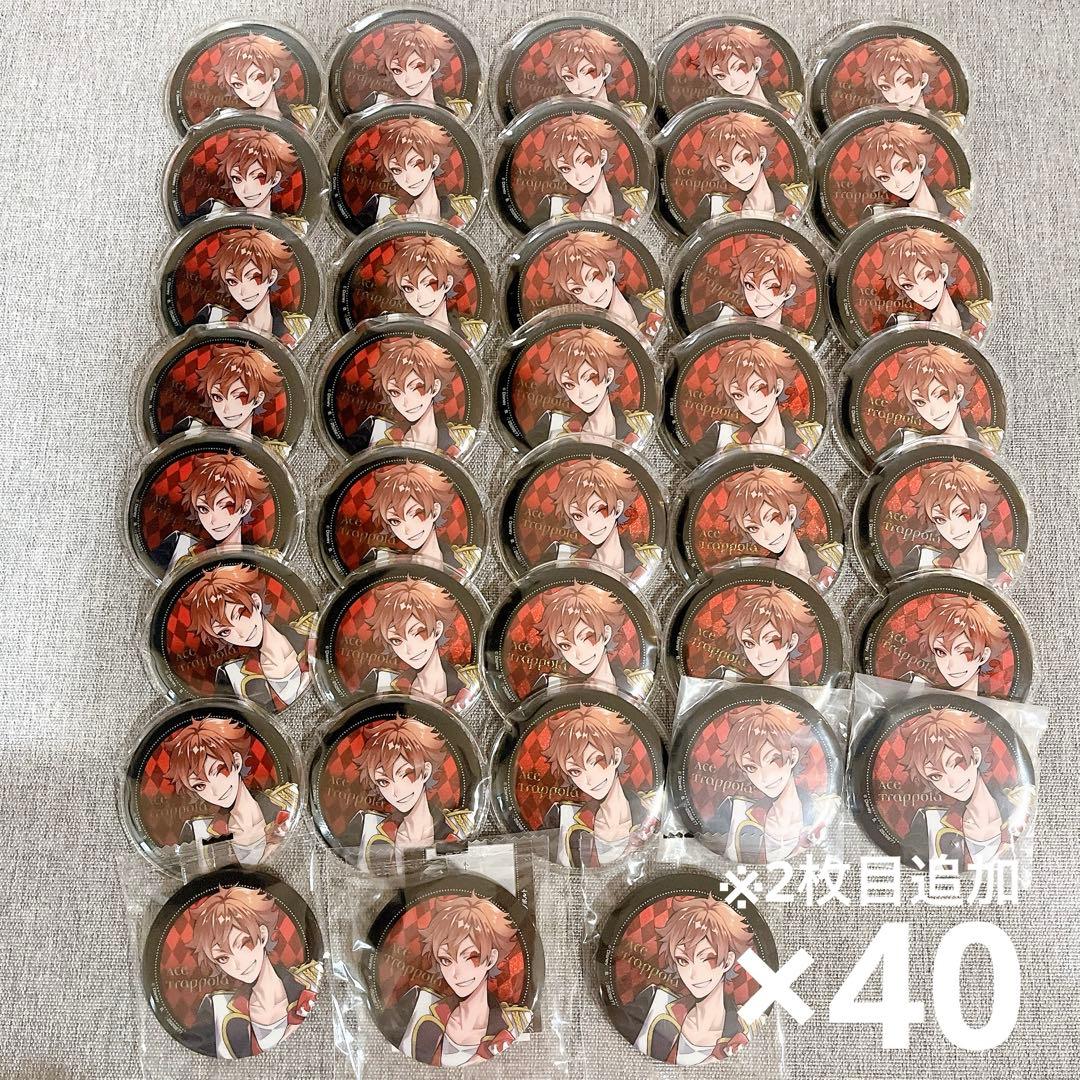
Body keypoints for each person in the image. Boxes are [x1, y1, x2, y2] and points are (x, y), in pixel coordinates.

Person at [381, 893, 529, 1065]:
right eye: (446, 960)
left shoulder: (516, 1023)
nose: (457, 974)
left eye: (470, 957)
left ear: (491, 958)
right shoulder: (417, 1004)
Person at [181, 885, 320, 1058]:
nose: (238, 965)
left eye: (243, 943)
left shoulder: (308, 986)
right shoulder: (217, 1009)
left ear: (262, 936)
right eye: (223, 958)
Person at [617, 896, 753, 1063]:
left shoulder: (745, 1030)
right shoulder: (654, 1002)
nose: (693, 974)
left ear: (728, 961)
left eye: (707, 958)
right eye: (683, 960)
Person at [899, 708, 1033, 867]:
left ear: (976, 756)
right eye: (936, 776)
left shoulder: (1018, 808)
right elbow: (910, 859)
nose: (952, 783)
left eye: (956, 763)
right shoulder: (929, 823)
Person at [339, 716, 473, 873]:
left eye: (405, 774)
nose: (396, 792)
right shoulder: (365, 827)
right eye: (383, 781)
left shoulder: (461, 828)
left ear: (425, 772)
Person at [707, 702, 835, 862]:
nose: (764, 777)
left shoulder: (825, 809)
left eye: (773, 759)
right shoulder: (734, 812)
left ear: (793, 756)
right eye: (751, 767)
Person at [164, 716, 298, 866]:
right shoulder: (198, 832)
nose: (215, 790)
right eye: (200, 785)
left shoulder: (289, 800)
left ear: (237, 762)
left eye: (218, 771)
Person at [540, 705, 658, 867]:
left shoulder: (653, 809)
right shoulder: (563, 819)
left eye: (596, 761)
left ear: (616, 757)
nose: (589, 780)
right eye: (575, 771)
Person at [186, 564, 312, 712]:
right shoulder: (233, 675)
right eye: (225, 632)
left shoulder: (311, 634)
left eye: (240, 614)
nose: (241, 633)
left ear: (256, 602)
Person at [897, 459, 1020, 586]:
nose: (953, 530)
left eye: (962, 513)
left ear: (981, 512)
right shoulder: (922, 560)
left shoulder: (1011, 565)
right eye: (940, 519)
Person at [361, 577, 478, 709]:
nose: (410, 650)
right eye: (396, 640)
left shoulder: (472, 680)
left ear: (437, 630)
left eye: (418, 632)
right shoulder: (381, 683)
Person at [350, 334, 473, 456]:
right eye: (395, 392)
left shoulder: (461, 438)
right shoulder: (376, 432)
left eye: (416, 387)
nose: (406, 402)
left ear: (435, 387)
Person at [719, 466, 841, 588]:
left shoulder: (833, 556)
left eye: (773, 518)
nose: (768, 536)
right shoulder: (759, 578)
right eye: (753, 528)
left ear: (791, 513)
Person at [542, 456, 660, 582]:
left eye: (598, 510)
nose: (590, 526)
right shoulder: (567, 562)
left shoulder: (650, 558)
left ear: (618, 508)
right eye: (578, 516)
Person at [150, 452, 271, 572]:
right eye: (203, 508)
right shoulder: (179, 546)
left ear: (245, 507)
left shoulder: (263, 563)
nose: (213, 520)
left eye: (225, 506)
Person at [530, 325, 650, 444]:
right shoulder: (553, 425)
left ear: (608, 376)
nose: (582, 394)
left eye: (591, 377)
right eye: (569, 385)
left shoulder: (643, 424)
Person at [352, 116, 476, 230]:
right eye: (396, 170)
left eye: (416, 163)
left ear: (434, 162)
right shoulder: (380, 208)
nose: (408, 179)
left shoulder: (465, 209)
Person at [193, 226, 310, 346]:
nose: (243, 291)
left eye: (253, 277)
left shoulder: (297, 328)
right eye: (232, 281)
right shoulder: (213, 320)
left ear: (271, 277)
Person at [703, 336, 819, 455]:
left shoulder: (814, 436)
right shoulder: (722, 435)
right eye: (738, 395)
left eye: (759, 388)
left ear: (778, 387)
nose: (751, 405)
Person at [532, 582, 652, 698]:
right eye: (565, 645)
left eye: (586, 637)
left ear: (606, 634)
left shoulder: (638, 684)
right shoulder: (551, 687)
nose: (579, 655)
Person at [545, 231, 663, 342]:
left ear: (610, 269)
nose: (592, 294)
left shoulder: (657, 304)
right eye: (577, 289)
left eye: (594, 276)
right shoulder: (587, 339)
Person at [367, 460, 480, 574]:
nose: (407, 530)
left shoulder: (467, 560)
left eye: (416, 513)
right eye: (395, 521)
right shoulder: (381, 562)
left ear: (435, 511)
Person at [693, 112, 804, 223]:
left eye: (744, 158)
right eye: (724, 167)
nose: (738, 175)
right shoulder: (714, 207)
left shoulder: (798, 199)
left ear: (761, 154)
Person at [879, 227, 987, 339]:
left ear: (943, 271)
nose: (922, 293)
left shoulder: (983, 314)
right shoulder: (902, 327)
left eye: (926, 275)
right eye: (908, 285)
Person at [539, 113, 645, 224]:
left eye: (585, 160)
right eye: (565, 168)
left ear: (602, 157)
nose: (578, 176)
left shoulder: (634, 210)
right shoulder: (555, 209)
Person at [887, 343, 999, 449]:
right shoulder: (907, 441)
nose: (933, 412)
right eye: (920, 401)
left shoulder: (991, 440)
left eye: (941, 395)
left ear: (959, 393)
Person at [699, 235, 816, 334]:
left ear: (789, 292)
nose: (758, 299)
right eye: (750, 286)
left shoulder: (798, 337)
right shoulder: (719, 316)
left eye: (772, 286)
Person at [172, 343, 285, 445]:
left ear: (258, 399)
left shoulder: (270, 447)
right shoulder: (189, 430)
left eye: (239, 396)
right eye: (217, 397)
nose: (227, 409)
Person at [386, 234, 486, 347]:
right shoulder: (393, 333)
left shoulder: (474, 333)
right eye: (408, 288)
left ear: (447, 283)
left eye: (429, 284)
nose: (419, 298)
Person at [855, 121, 967, 219]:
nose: (898, 184)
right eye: (884, 177)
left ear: (921, 162)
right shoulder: (881, 218)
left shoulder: (959, 207)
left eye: (903, 167)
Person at [902, 593, 1011, 694]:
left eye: (964, 652)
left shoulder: (997, 699)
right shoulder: (916, 688)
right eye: (941, 652)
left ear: (984, 655)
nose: (951, 666)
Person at [712, 585, 818, 685]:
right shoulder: (725, 681)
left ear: (792, 642)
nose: (760, 656)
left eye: (772, 640)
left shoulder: (812, 692)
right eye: (749, 643)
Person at [194, 128, 299, 223]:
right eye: (237, 179)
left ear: (275, 178)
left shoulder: (290, 225)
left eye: (258, 176)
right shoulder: (212, 211)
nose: (246, 190)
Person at [211, 34, 316, 128]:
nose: (249, 93)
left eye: (257, 77)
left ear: (274, 75)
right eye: (238, 84)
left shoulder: (303, 118)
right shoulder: (231, 123)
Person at [375, 21, 472, 119]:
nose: (408, 79)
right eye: (397, 70)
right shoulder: (382, 104)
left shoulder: (460, 110)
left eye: (417, 66)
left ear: (434, 66)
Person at [696, 25, 799, 116]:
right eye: (720, 75)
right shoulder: (714, 115)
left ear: (756, 64)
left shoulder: (790, 104)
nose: (733, 82)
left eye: (739, 67)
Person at [546, 26, 646, 120]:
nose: (580, 86)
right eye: (569, 77)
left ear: (605, 71)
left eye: (588, 71)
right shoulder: (557, 119)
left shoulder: (633, 114)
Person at [864, 36, 943, 114]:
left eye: (905, 81)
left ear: (923, 80)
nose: (897, 96)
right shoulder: (874, 119)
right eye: (885, 87)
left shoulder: (945, 120)